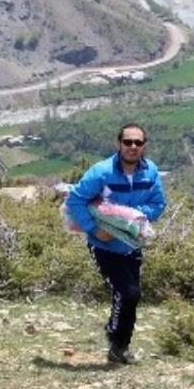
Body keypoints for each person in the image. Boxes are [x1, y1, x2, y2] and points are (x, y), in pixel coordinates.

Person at [64, 123, 167, 365]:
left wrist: (128, 216)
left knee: (130, 295)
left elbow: (158, 204)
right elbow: (76, 201)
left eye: (138, 143)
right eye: (128, 142)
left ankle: (119, 345)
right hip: (104, 246)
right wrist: (95, 230)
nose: (132, 147)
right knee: (129, 293)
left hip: (132, 244)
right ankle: (117, 342)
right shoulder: (101, 172)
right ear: (118, 143)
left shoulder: (150, 172)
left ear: (144, 146)